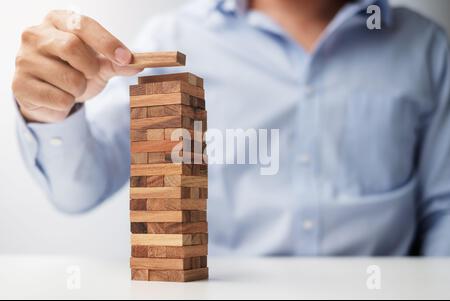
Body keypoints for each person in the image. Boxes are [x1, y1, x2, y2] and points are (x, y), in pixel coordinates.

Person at [12, 0, 450, 256]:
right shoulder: (175, 34)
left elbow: (443, 214)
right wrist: (52, 108)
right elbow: (79, 189)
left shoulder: (427, 48)